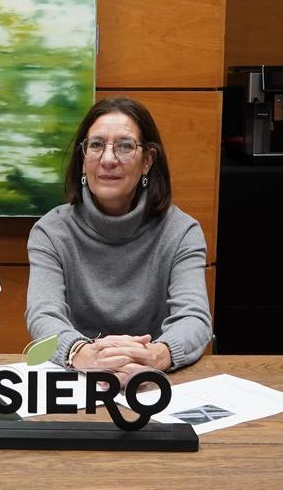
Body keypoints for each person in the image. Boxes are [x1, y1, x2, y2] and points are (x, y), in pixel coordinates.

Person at [25, 97, 212, 383]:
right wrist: (82, 354)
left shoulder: (181, 231)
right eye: (96, 145)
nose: (108, 159)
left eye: (125, 146)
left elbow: (194, 319)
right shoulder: (51, 232)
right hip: (78, 381)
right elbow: (43, 315)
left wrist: (156, 355)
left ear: (147, 161)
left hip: (155, 381)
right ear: (83, 159)